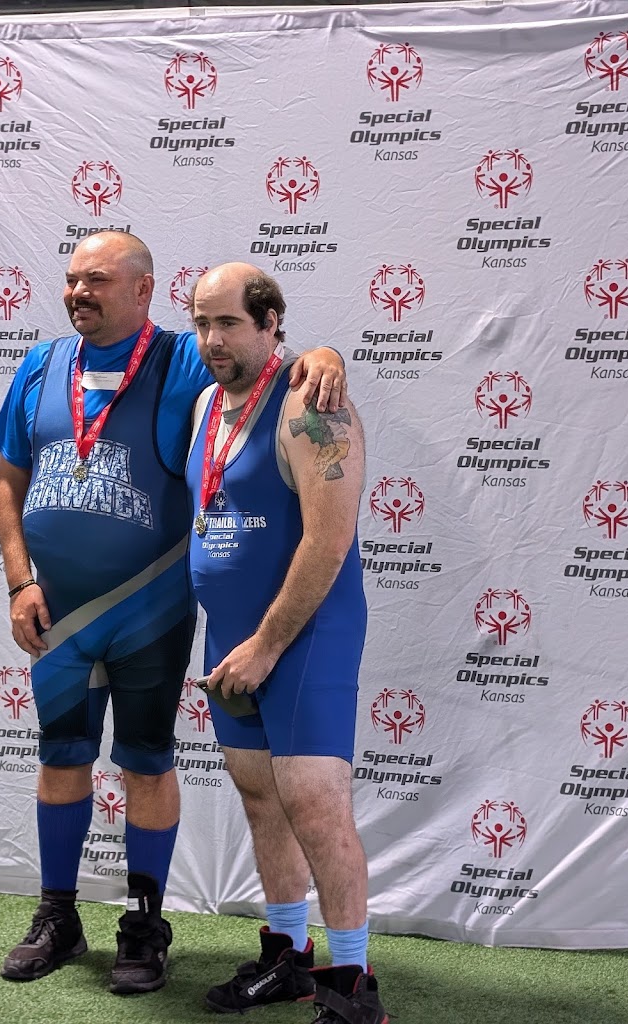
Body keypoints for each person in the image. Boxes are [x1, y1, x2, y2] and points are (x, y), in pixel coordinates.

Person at [0, 231, 346, 994]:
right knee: (60, 755)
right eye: (72, 279)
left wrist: (325, 356)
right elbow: (5, 480)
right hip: (59, 614)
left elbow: (264, 361)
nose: (78, 292)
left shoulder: (185, 358)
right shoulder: (40, 365)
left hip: (149, 609)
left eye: (96, 279)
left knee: (146, 759)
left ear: (143, 290)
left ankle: (144, 925)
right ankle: (57, 917)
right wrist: (19, 582)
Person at [186, 264, 389, 1024]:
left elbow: (328, 541)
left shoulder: (311, 405)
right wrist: (240, 644)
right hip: (232, 639)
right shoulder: (207, 400)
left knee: (314, 805)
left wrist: (268, 646)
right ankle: (287, 956)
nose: (212, 340)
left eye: (229, 323)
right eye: (202, 323)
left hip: (302, 638)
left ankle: (353, 983)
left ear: (271, 324)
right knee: (260, 796)